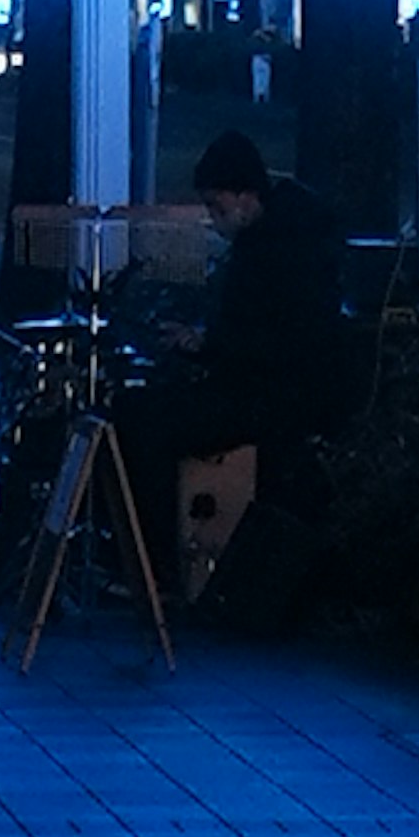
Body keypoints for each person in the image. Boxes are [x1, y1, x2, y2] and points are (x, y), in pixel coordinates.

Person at [129, 123, 363, 569]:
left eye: (215, 204)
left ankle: (157, 561)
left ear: (243, 196)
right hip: (266, 385)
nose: (213, 217)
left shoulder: (280, 253)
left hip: (276, 398)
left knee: (147, 426)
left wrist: (208, 345)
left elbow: (282, 340)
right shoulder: (283, 239)